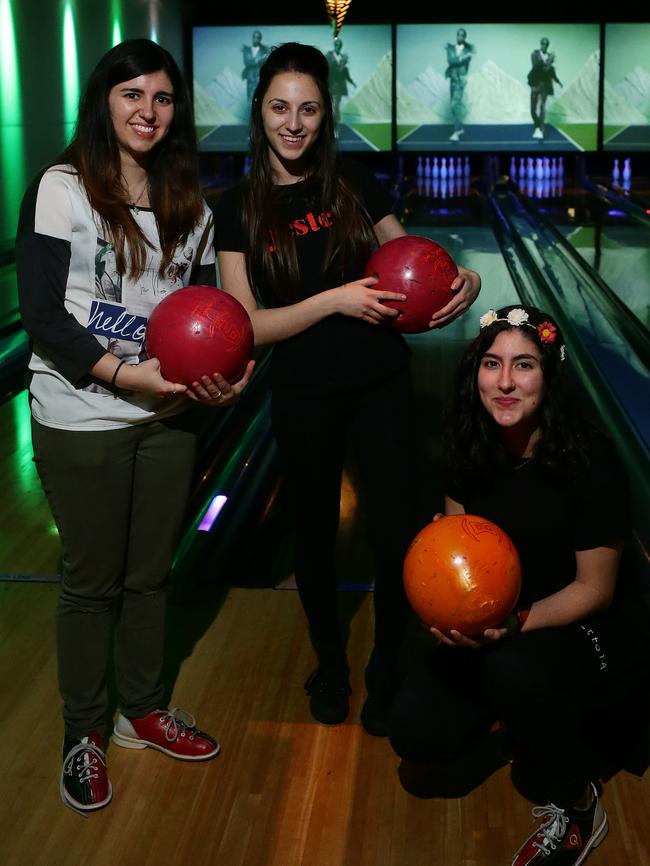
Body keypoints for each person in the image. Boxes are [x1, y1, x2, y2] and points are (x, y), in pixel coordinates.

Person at [213, 42, 481, 735]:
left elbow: (416, 259)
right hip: (304, 393)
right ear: (259, 112)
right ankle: (330, 663)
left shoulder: (356, 183)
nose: (293, 123)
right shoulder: (237, 208)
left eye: (308, 108)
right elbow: (246, 324)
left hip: (381, 384)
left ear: (326, 113)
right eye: (280, 107)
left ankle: (387, 666)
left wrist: (466, 280)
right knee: (313, 538)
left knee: (397, 535)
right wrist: (333, 300)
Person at [16, 39, 254, 815]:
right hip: (82, 414)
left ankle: (141, 710)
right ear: (104, 102)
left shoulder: (194, 207)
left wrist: (225, 370)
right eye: (131, 95)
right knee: (92, 585)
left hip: (169, 415)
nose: (147, 111)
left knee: (152, 574)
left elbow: (202, 320)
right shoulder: (61, 188)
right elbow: (44, 315)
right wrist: (121, 373)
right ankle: (83, 734)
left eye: (162, 98)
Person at [388, 305, 650, 865]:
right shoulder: (467, 445)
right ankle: (525, 726)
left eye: (524, 365)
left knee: (514, 667)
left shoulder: (591, 458)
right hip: (502, 625)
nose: (505, 382)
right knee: (415, 733)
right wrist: (453, 616)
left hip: (587, 626)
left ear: (549, 376)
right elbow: (454, 550)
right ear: (475, 372)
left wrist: (513, 625)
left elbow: (595, 590)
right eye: (492, 363)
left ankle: (578, 803)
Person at [527, 38, 562, 140]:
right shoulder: (535, 53)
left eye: (546, 44)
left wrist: (558, 81)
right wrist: (548, 61)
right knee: (532, 110)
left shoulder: (549, 57)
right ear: (540, 44)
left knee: (542, 107)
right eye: (543, 44)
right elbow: (536, 66)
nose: (544, 46)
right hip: (535, 84)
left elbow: (551, 72)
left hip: (544, 86)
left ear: (548, 45)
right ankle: (538, 125)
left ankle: (541, 128)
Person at [445, 28, 474, 142]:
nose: (459, 37)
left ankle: (456, 132)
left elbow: (465, 61)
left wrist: (462, 58)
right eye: (458, 34)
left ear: (464, 37)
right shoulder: (451, 48)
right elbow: (450, 61)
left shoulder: (468, 51)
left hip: (460, 81)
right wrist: (461, 58)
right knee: (454, 106)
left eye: (462, 35)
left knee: (454, 105)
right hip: (452, 80)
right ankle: (460, 127)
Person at [325, 37, 356, 128]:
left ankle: (335, 126)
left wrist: (352, 83)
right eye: (337, 45)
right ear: (334, 46)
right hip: (329, 85)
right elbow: (324, 68)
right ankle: (329, 125)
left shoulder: (343, 58)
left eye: (340, 45)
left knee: (336, 106)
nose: (339, 47)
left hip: (338, 87)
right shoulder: (329, 55)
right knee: (329, 106)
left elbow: (346, 74)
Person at [242, 30, 270, 105]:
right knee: (249, 100)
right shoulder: (247, 50)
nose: (255, 39)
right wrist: (258, 61)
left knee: (260, 100)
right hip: (250, 78)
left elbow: (266, 61)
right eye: (254, 37)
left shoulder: (265, 50)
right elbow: (247, 62)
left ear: (260, 39)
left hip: (260, 78)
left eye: (257, 37)